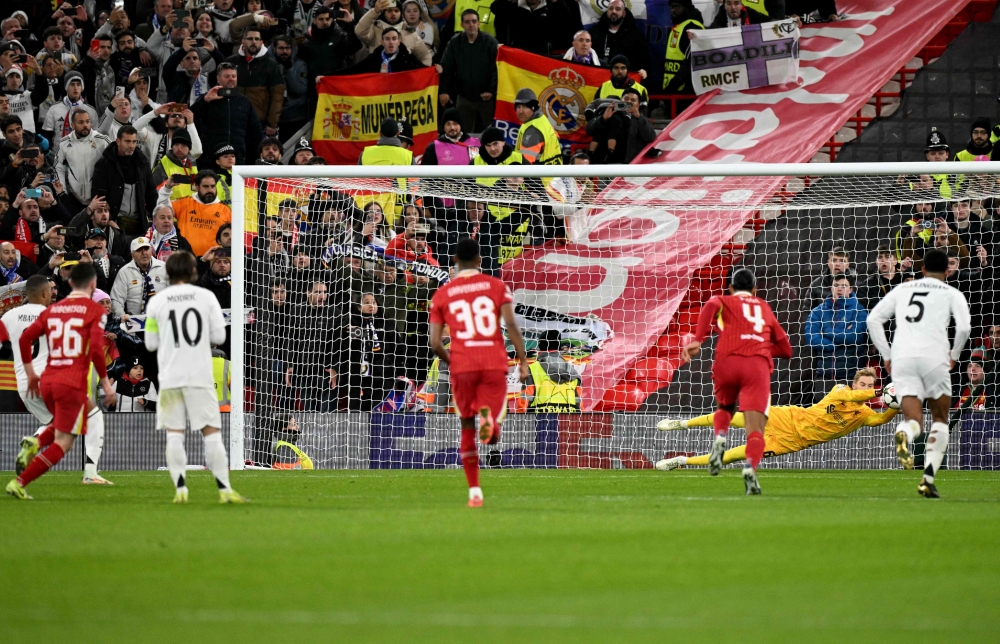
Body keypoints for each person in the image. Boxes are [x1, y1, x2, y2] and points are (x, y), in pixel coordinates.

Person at [429, 237, 529, 507]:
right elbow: (510, 324)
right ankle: (491, 422)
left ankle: (475, 492)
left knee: (465, 426)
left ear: (454, 261)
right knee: (493, 427)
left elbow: (435, 343)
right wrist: (522, 361)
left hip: (463, 365)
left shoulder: (443, 294)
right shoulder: (496, 286)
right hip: (493, 362)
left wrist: (454, 362)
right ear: (480, 261)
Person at [6, 263, 117, 500]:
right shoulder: (93, 310)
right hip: (71, 381)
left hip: (46, 380)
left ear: (69, 283)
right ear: (93, 284)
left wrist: (30, 372)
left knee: (75, 418)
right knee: (65, 442)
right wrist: (106, 384)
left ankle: (37, 441)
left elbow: (26, 339)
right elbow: (97, 350)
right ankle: (21, 481)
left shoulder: (53, 311)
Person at [677, 268, 793, 494]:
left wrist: (698, 340)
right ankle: (750, 468)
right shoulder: (764, 307)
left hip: (726, 361)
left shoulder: (724, 301)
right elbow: (787, 350)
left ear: (730, 289)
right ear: (755, 290)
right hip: (756, 367)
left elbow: (711, 304)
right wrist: (761, 348)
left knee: (725, 406)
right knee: (756, 430)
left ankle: (720, 436)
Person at [867, 248, 971, 498]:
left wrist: (887, 355)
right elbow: (965, 328)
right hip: (935, 358)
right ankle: (927, 478)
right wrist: (954, 356)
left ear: (922, 269)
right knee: (940, 419)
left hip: (903, 358)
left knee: (914, 420)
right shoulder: (952, 293)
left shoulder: (903, 289)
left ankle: (904, 431)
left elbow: (873, 320)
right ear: (947, 271)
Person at [144, 251, 246, 504]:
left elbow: (150, 342)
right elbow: (220, 338)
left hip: (170, 375)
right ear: (193, 272)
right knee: (211, 433)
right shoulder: (205, 297)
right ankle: (224, 490)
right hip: (199, 374)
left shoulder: (157, 302)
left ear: (168, 273)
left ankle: (180, 490)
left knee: (175, 434)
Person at [656, 368, 898, 469]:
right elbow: (856, 395)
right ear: (855, 384)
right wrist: (879, 392)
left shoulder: (864, 414)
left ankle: (680, 461)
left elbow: (881, 420)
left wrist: (896, 405)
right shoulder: (841, 391)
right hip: (786, 418)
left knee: (731, 456)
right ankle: (682, 423)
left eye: (871, 385)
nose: (866, 387)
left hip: (791, 443)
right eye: (863, 384)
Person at [0, 276, 54, 439]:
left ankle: (34, 442)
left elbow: (3, 347)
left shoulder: (8, 317)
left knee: (53, 422)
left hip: (25, 387)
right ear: (45, 293)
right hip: (49, 383)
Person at [804, 274, 868, 399]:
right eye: (836, 285)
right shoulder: (818, 311)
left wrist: (826, 331)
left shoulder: (860, 311)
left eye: (844, 286)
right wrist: (833, 344)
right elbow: (812, 337)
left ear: (850, 290)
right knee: (823, 415)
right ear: (831, 288)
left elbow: (854, 337)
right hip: (825, 377)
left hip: (852, 377)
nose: (839, 289)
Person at [190, 62, 264, 167]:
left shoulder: (244, 102)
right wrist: (205, 100)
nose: (231, 79)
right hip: (211, 160)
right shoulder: (206, 99)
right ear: (218, 78)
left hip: (237, 160)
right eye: (227, 76)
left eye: (234, 76)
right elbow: (190, 120)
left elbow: (256, 132)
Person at [437, 9, 498, 135]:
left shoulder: (490, 42)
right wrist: (444, 91)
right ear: (461, 25)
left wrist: (491, 91)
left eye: (474, 21)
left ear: (479, 23)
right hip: (464, 98)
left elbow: (497, 69)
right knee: (462, 134)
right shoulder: (455, 42)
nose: (471, 25)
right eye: (467, 22)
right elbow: (446, 67)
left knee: (493, 133)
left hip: (487, 99)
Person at [90, 124, 157, 235]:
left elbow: (151, 192)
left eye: (134, 142)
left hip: (139, 222)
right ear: (118, 141)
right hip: (114, 222)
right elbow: (99, 196)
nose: (131, 145)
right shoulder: (104, 164)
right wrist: (110, 220)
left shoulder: (142, 162)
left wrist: (155, 216)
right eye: (127, 141)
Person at [157, 169, 231, 257]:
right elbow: (162, 209)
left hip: (213, 262)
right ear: (197, 187)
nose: (210, 190)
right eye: (206, 186)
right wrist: (167, 188)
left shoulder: (225, 210)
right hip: (186, 261)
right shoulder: (185, 203)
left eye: (212, 186)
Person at [226, 27, 285, 138]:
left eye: (256, 39)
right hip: (234, 119)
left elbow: (277, 96)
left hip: (259, 121)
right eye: (250, 38)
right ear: (243, 41)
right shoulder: (231, 61)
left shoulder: (271, 64)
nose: (254, 42)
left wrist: (272, 123)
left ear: (261, 42)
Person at [54, 108, 111, 214]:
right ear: (73, 125)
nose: (85, 125)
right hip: (74, 199)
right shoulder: (64, 143)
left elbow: (115, 164)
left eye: (87, 121)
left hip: (99, 199)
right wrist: (63, 191)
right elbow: (58, 166)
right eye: (81, 122)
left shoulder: (102, 140)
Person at [585, 87, 655, 164]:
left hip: (628, 165)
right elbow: (589, 130)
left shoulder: (642, 119)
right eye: (626, 99)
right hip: (604, 163)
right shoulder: (608, 112)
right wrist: (603, 119)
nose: (628, 102)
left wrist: (639, 117)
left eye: (633, 100)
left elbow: (650, 137)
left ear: (638, 105)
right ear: (621, 101)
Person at [355, 0, 433, 67]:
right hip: (379, 78)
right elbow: (359, 31)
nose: (393, 14)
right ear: (383, 13)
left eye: (396, 11)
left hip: (402, 80)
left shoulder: (410, 33)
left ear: (401, 13)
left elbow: (425, 55)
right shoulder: (375, 30)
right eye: (389, 10)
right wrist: (375, 11)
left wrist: (422, 74)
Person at [490, 0, 580, 55]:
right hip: (516, 55)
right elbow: (495, 8)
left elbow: (567, 19)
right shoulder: (514, 6)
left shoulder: (551, 7)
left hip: (543, 55)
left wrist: (556, 1)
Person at [589, 0, 650, 79]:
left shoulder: (635, 35)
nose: (613, 11)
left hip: (625, 82)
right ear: (607, 11)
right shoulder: (594, 32)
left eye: (618, 9)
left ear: (624, 13)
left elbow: (644, 60)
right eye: (611, 8)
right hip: (597, 78)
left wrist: (643, 71)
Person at [523, 330, 581, 412]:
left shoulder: (532, 368)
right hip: (567, 421)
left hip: (539, 420)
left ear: (540, 346)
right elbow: (579, 403)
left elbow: (525, 399)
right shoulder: (573, 371)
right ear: (559, 346)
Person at [110, 236, 168, 316]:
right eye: (139, 250)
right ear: (132, 255)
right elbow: (116, 300)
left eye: (146, 249)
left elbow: (175, 294)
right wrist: (122, 317)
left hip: (162, 319)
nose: (144, 253)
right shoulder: (124, 272)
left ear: (151, 250)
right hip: (135, 323)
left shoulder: (164, 268)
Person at [341, 26, 426, 74]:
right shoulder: (374, 58)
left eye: (394, 39)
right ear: (382, 42)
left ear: (398, 42)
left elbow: (425, 71)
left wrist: (437, 70)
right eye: (387, 39)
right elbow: (353, 70)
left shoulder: (407, 59)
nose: (391, 42)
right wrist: (328, 76)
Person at [662, 0, 704, 95]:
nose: (673, 10)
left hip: (686, 93)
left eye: (677, 7)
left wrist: (672, 86)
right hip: (674, 92)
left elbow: (692, 62)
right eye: (672, 7)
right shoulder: (678, 27)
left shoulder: (692, 27)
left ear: (686, 8)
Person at [512, 88, 562, 166]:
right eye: (518, 107)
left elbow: (525, 165)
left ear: (533, 108)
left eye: (525, 107)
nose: (521, 111)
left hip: (541, 176)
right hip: (553, 174)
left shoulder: (533, 129)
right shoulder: (541, 120)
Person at [272, 35, 309, 137]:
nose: (284, 51)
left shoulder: (300, 65)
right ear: (274, 49)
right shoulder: (269, 65)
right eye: (281, 48)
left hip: (296, 117)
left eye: (287, 48)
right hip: (275, 118)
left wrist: (288, 70)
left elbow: (300, 89)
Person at [859, 244, 905, 310]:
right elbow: (860, 311)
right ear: (876, 262)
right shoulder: (867, 285)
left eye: (887, 257)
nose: (883, 260)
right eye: (880, 257)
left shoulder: (905, 280)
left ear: (895, 261)